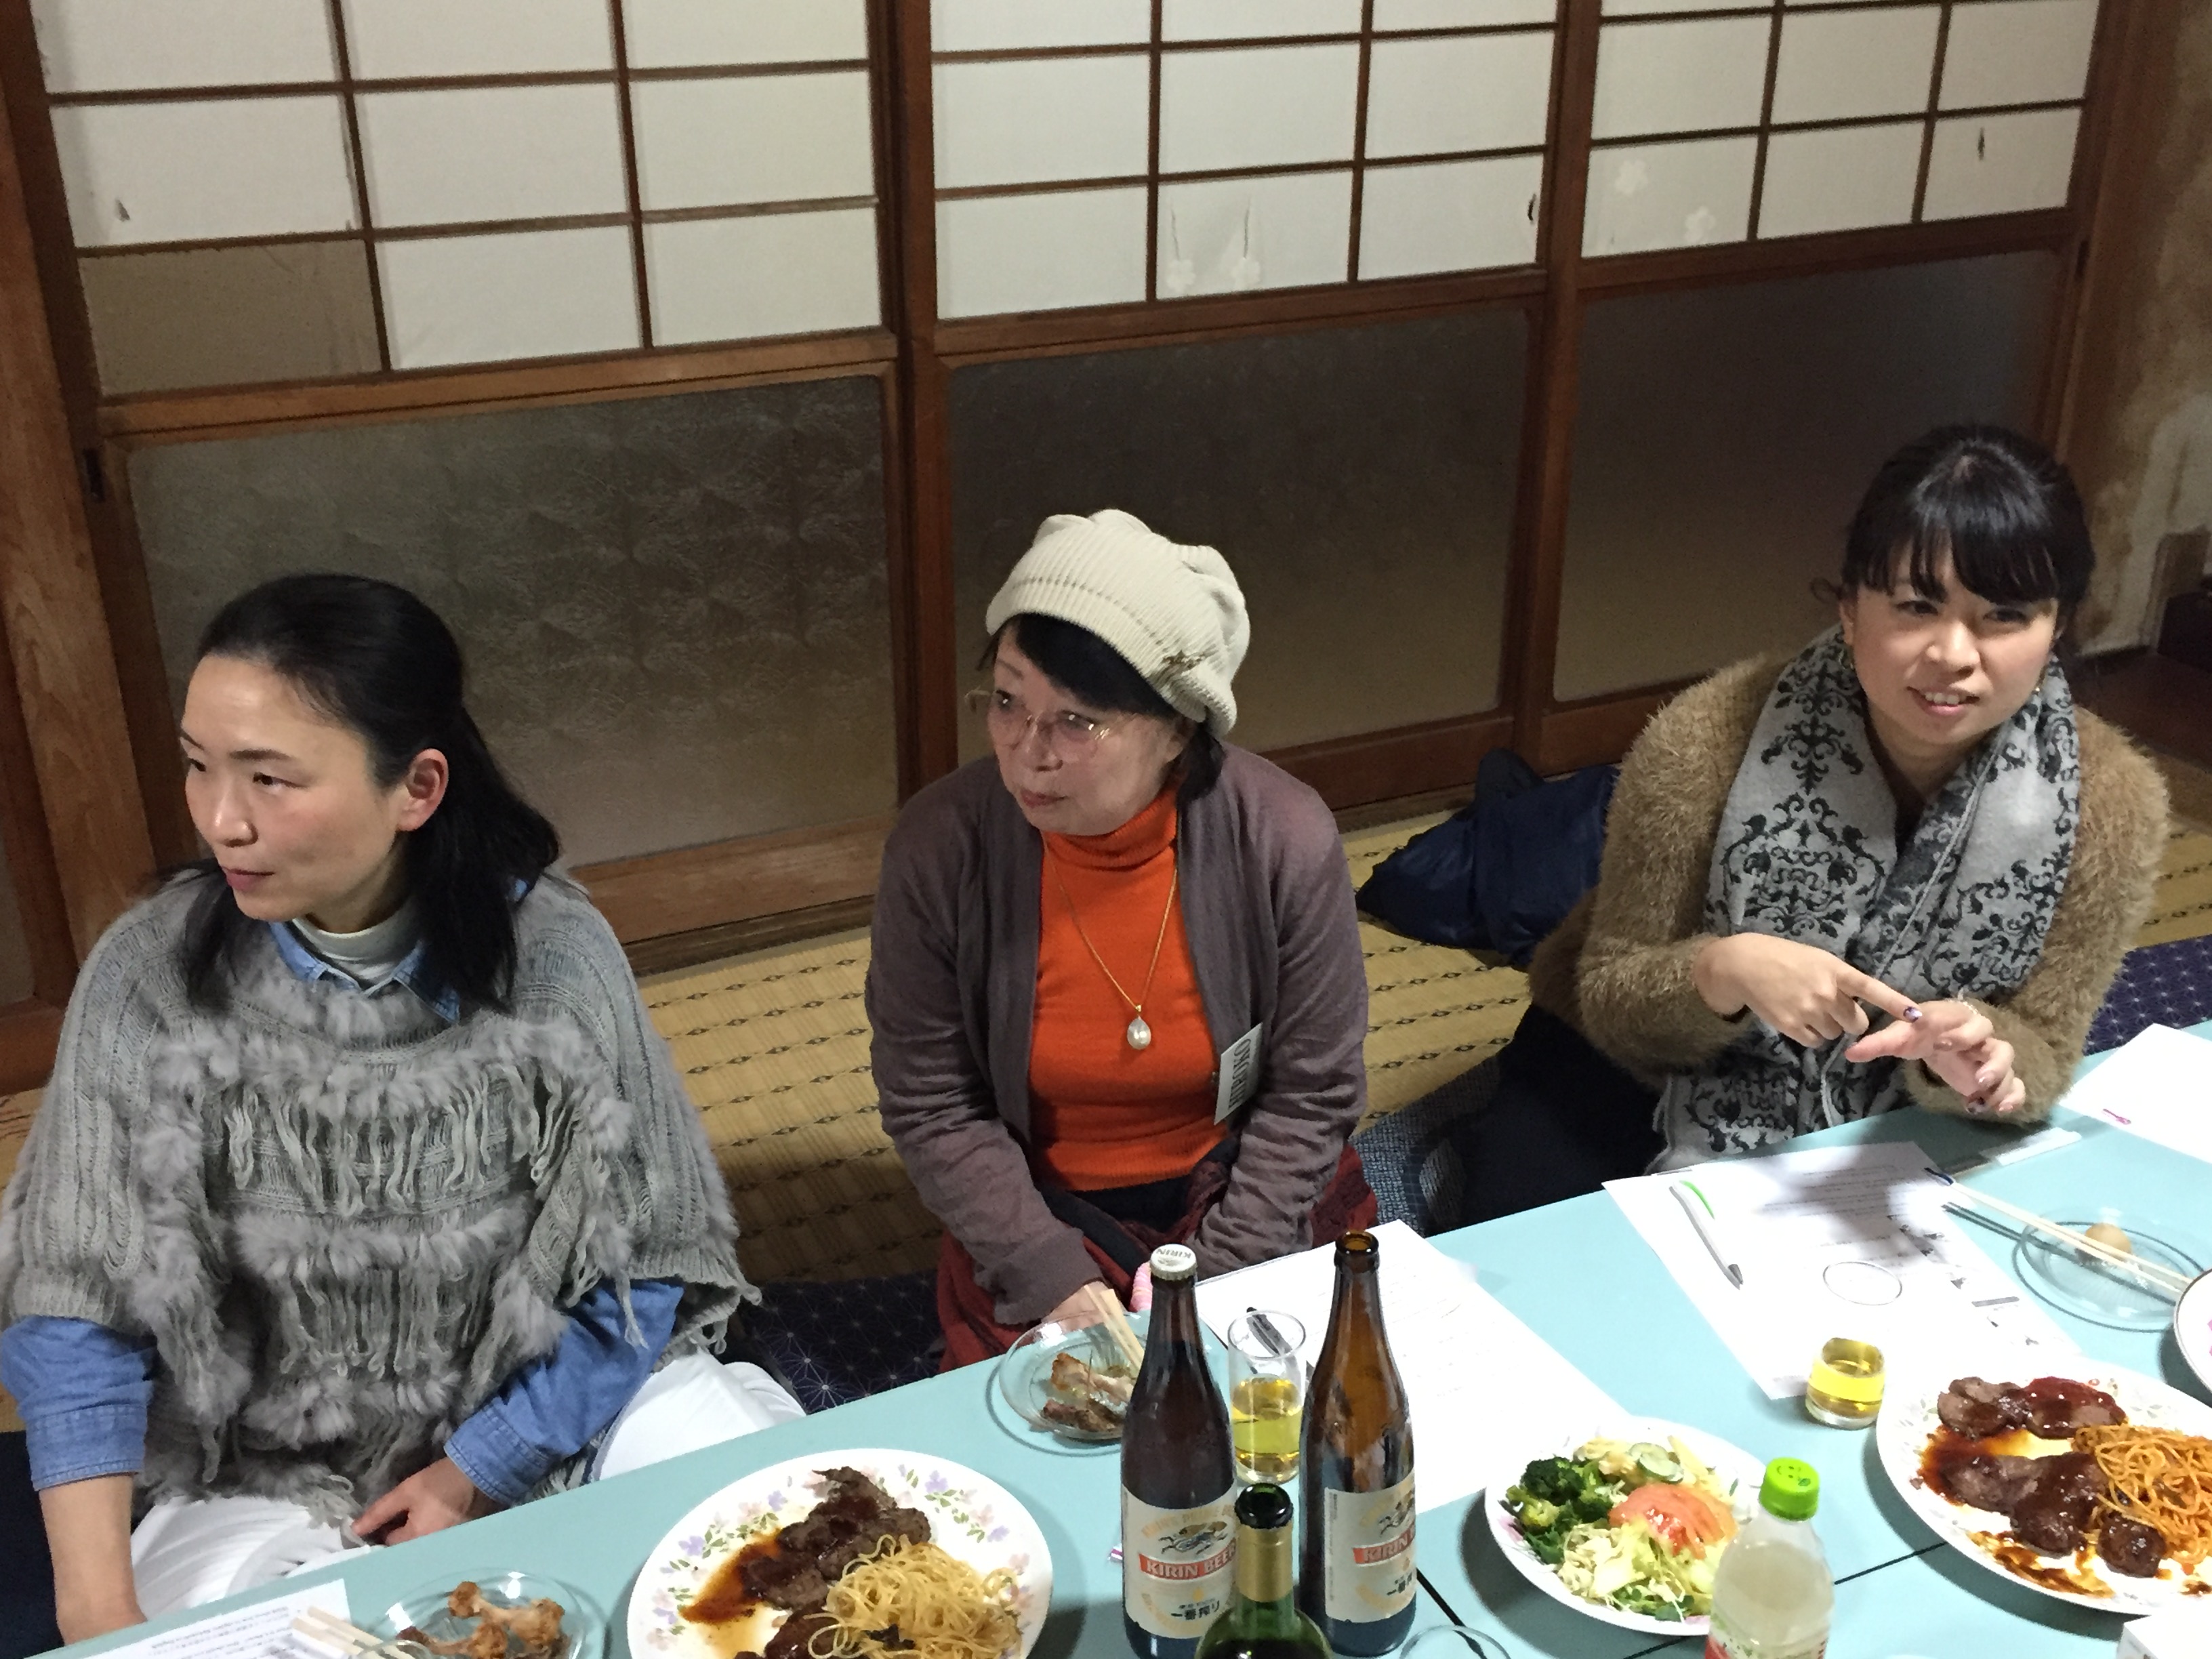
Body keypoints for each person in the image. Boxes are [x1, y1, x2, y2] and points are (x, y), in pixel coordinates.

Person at [0, 575, 797, 1642]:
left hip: (553, 1413)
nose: (222, 819)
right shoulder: (148, 975)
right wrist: (99, 1612)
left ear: (416, 788)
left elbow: (642, 1262)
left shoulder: (555, 952)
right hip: (268, 1473)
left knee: (779, 1531)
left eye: (270, 778)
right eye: (198, 765)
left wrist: (482, 1466)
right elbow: (73, 1304)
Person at [1466, 425, 2169, 1217]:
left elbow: (2045, 1049)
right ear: (1850, 608)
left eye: (2003, 616)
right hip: (1646, 1066)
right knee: (1526, 1249)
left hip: (1905, 1109)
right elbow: (1613, 997)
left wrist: (1986, 1059)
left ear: (2057, 626)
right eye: (1916, 606)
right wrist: (1722, 970)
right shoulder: (1707, 742)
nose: (1953, 654)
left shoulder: (2113, 804)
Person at [867, 510, 1376, 1365]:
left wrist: (1226, 1264)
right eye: (1007, 701)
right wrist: (1049, 1274)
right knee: (1049, 1413)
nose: (1027, 753)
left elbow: (1313, 1090)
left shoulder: (1282, 837)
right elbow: (933, 1104)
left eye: (1077, 721)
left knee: (1314, 1388)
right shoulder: (940, 846)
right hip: (1041, 1200)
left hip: (1239, 1176)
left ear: (1178, 730)